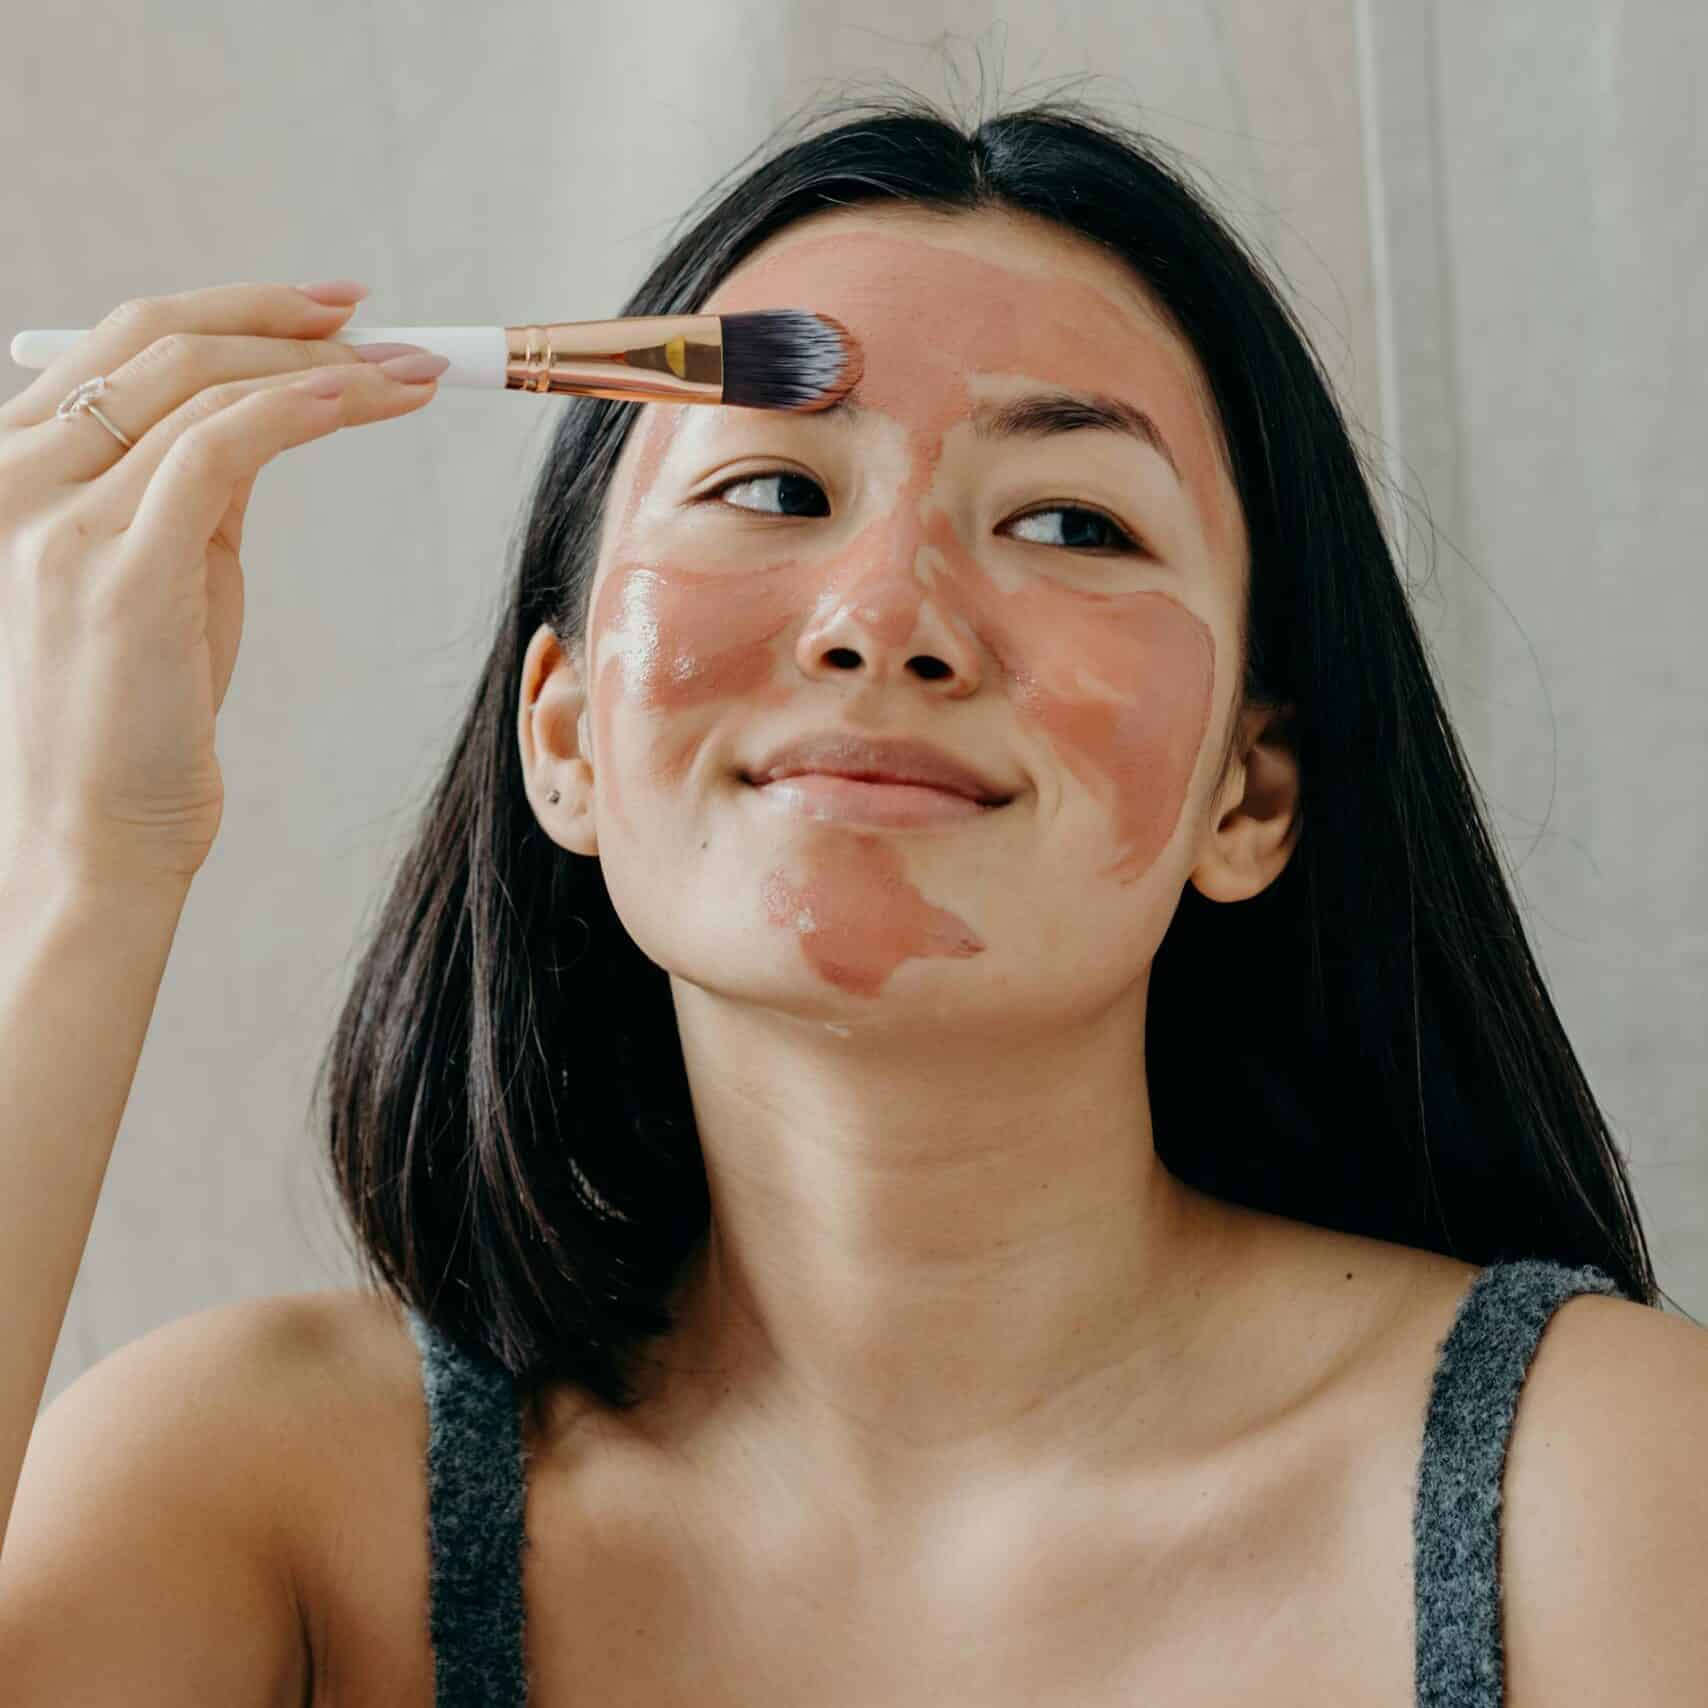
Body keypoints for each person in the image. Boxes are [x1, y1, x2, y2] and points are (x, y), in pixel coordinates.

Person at [4, 85, 1705, 1708]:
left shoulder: (1605, 1491)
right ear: (569, 730)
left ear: (1250, 793)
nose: (885, 614)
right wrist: (92, 867)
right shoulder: (267, 1495)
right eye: (777, 489)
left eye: (1068, 520)